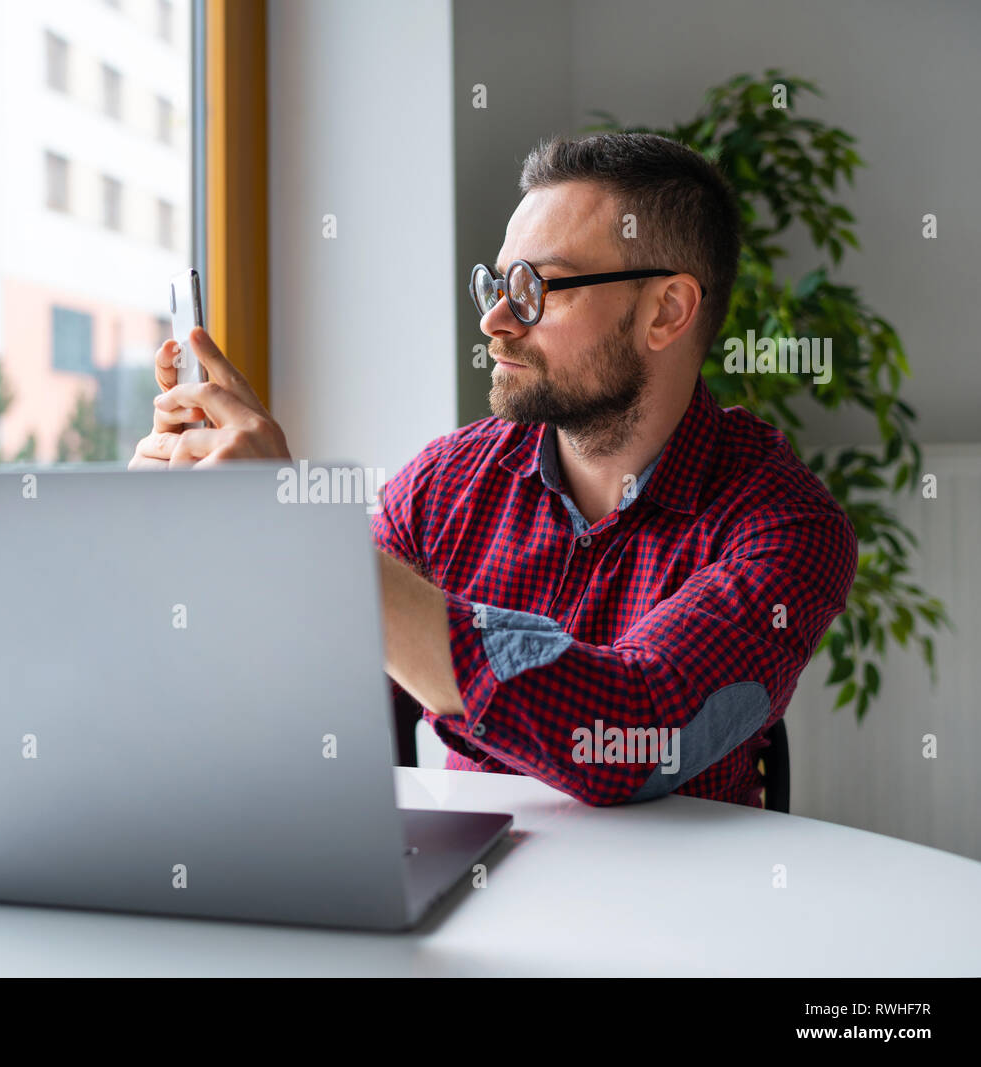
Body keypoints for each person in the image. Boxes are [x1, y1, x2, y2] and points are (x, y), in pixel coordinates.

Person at [129, 132, 858, 808]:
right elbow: (319, 716)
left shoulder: (786, 526)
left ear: (666, 311)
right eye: (496, 283)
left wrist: (305, 532)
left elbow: (633, 731)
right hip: (467, 906)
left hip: (674, 930)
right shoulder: (445, 483)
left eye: (536, 288)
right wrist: (208, 550)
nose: (495, 320)